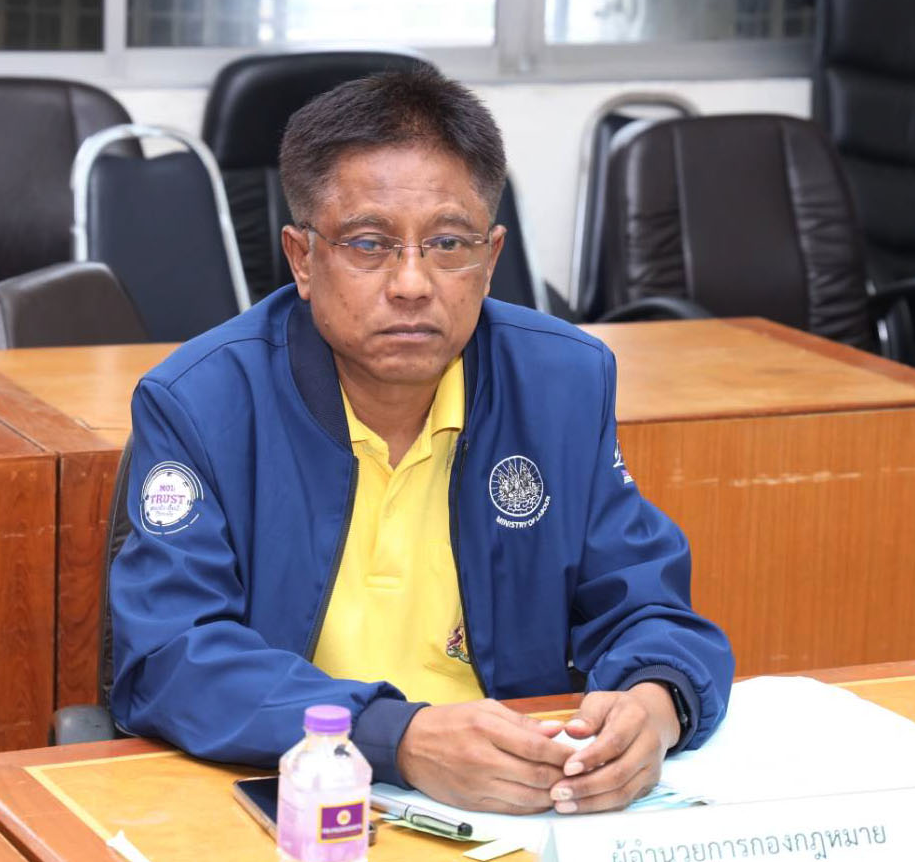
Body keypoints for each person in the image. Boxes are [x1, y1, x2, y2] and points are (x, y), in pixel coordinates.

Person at [110, 65, 733, 816]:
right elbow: (171, 656)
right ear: (303, 258)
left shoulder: (561, 383)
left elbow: (645, 603)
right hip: (297, 794)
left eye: (447, 243)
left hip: (517, 802)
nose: (412, 283)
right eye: (369, 244)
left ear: (491, 258)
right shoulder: (202, 401)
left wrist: (655, 704)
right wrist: (395, 737)